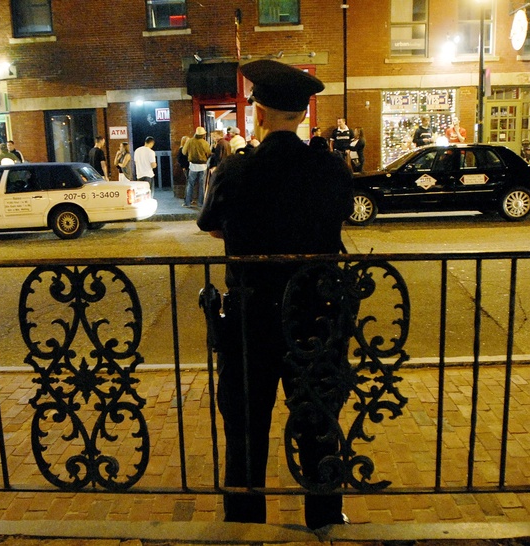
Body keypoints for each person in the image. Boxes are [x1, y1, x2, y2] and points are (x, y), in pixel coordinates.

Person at [197, 59, 352, 530]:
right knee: (317, 419)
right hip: (314, 314)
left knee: (246, 425)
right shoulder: (330, 168)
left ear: (259, 114)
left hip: (251, 315)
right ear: (303, 115)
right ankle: (324, 514)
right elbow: (338, 219)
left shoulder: (235, 170)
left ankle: (245, 521)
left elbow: (211, 226)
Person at [181, 127, 211, 207]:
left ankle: (187, 202)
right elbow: (208, 153)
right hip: (203, 166)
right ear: (203, 135)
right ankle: (201, 203)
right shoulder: (205, 143)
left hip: (193, 166)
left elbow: (184, 152)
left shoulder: (190, 141)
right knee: (202, 185)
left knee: (190, 184)